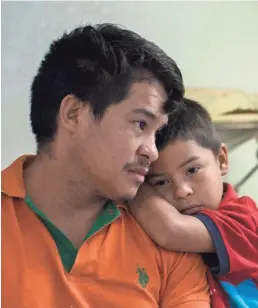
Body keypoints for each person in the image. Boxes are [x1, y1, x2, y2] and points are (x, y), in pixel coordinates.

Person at [1, 24, 210, 307]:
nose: (152, 152)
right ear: (74, 114)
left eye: (156, 134)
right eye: (140, 124)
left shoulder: (169, 240)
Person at [130, 98, 258, 308]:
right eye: (161, 182)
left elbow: (171, 230)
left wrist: (129, 180)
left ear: (222, 160)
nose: (181, 191)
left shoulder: (247, 220)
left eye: (192, 170)